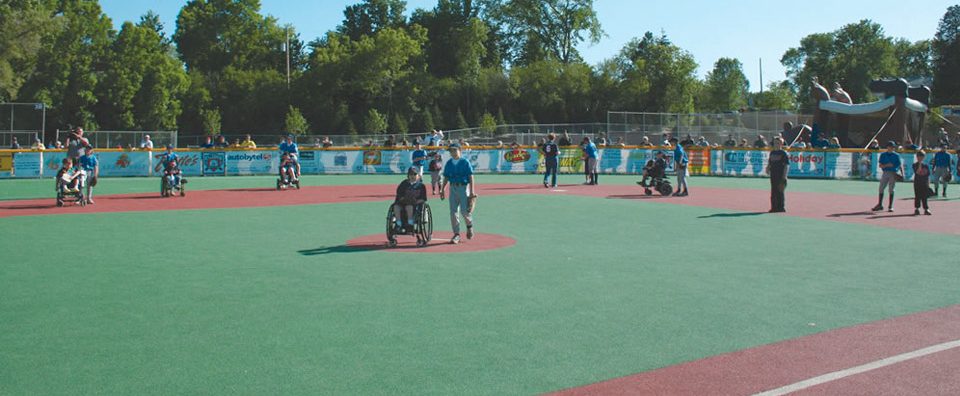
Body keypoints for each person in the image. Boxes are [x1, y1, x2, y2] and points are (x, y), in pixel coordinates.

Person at [440, 143, 475, 243]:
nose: (453, 152)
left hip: (463, 188)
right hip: (453, 188)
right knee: (453, 212)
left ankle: (469, 226)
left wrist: (472, 191)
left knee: (465, 211)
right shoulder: (449, 163)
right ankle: (456, 234)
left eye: (455, 150)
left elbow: (470, 176)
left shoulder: (465, 162)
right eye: (451, 151)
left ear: (460, 150)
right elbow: (446, 177)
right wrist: (442, 189)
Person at [393, 167, 428, 232]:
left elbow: (423, 199)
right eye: (411, 174)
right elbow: (399, 194)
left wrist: (416, 201)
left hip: (415, 205)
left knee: (409, 206)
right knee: (396, 207)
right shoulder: (404, 184)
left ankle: (410, 223)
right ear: (408, 175)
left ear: (418, 176)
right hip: (403, 202)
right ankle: (398, 223)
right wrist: (403, 199)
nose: (412, 176)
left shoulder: (421, 186)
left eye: (415, 174)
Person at [873, 141, 904, 212]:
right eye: (890, 146)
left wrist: (902, 174)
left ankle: (890, 206)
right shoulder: (883, 155)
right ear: (887, 147)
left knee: (891, 189)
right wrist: (887, 165)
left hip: (893, 173)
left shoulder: (896, 155)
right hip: (885, 172)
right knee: (881, 188)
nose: (892, 148)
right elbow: (880, 165)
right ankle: (880, 205)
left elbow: (899, 165)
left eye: (893, 147)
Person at [766, 137, 790, 212]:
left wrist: (784, 176)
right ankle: (773, 207)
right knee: (773, 191)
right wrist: (767, 168)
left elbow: (786, 165)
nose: (776, 144)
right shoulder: (772, 152)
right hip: (773, 174)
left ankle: (781, 207)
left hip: (780, 174)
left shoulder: (783, 153)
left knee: (780, 191)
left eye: (778, 143)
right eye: (775, 143)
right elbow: (770, 162)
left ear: (781, 144)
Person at [912, 151, 933, 216]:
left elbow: (928, 175)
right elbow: (918, 172)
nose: (920, 158)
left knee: (924, 196)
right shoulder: (915, 165)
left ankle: (926, 209)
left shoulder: (926, 165)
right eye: (919, 156)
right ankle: (917, 209)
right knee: (917, 196)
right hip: (917, 182)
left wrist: (928, 184)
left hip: (924, 183)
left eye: (922, 156)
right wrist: (920, 164)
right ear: (917, 157)